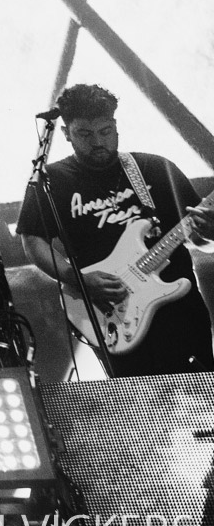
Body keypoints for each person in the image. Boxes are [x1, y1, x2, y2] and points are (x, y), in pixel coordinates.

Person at [16, 83, 214, 376]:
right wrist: (78, 279)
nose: (97, 142)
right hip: (111, 313)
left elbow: (201, 239)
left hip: (180, 316)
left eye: (105, 131)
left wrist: (208, 230)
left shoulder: (156, 169)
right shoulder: (51, 180)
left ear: (116, 127)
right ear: (66, 133)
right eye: (85, 134)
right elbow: (32, 239)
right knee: (136, 408)